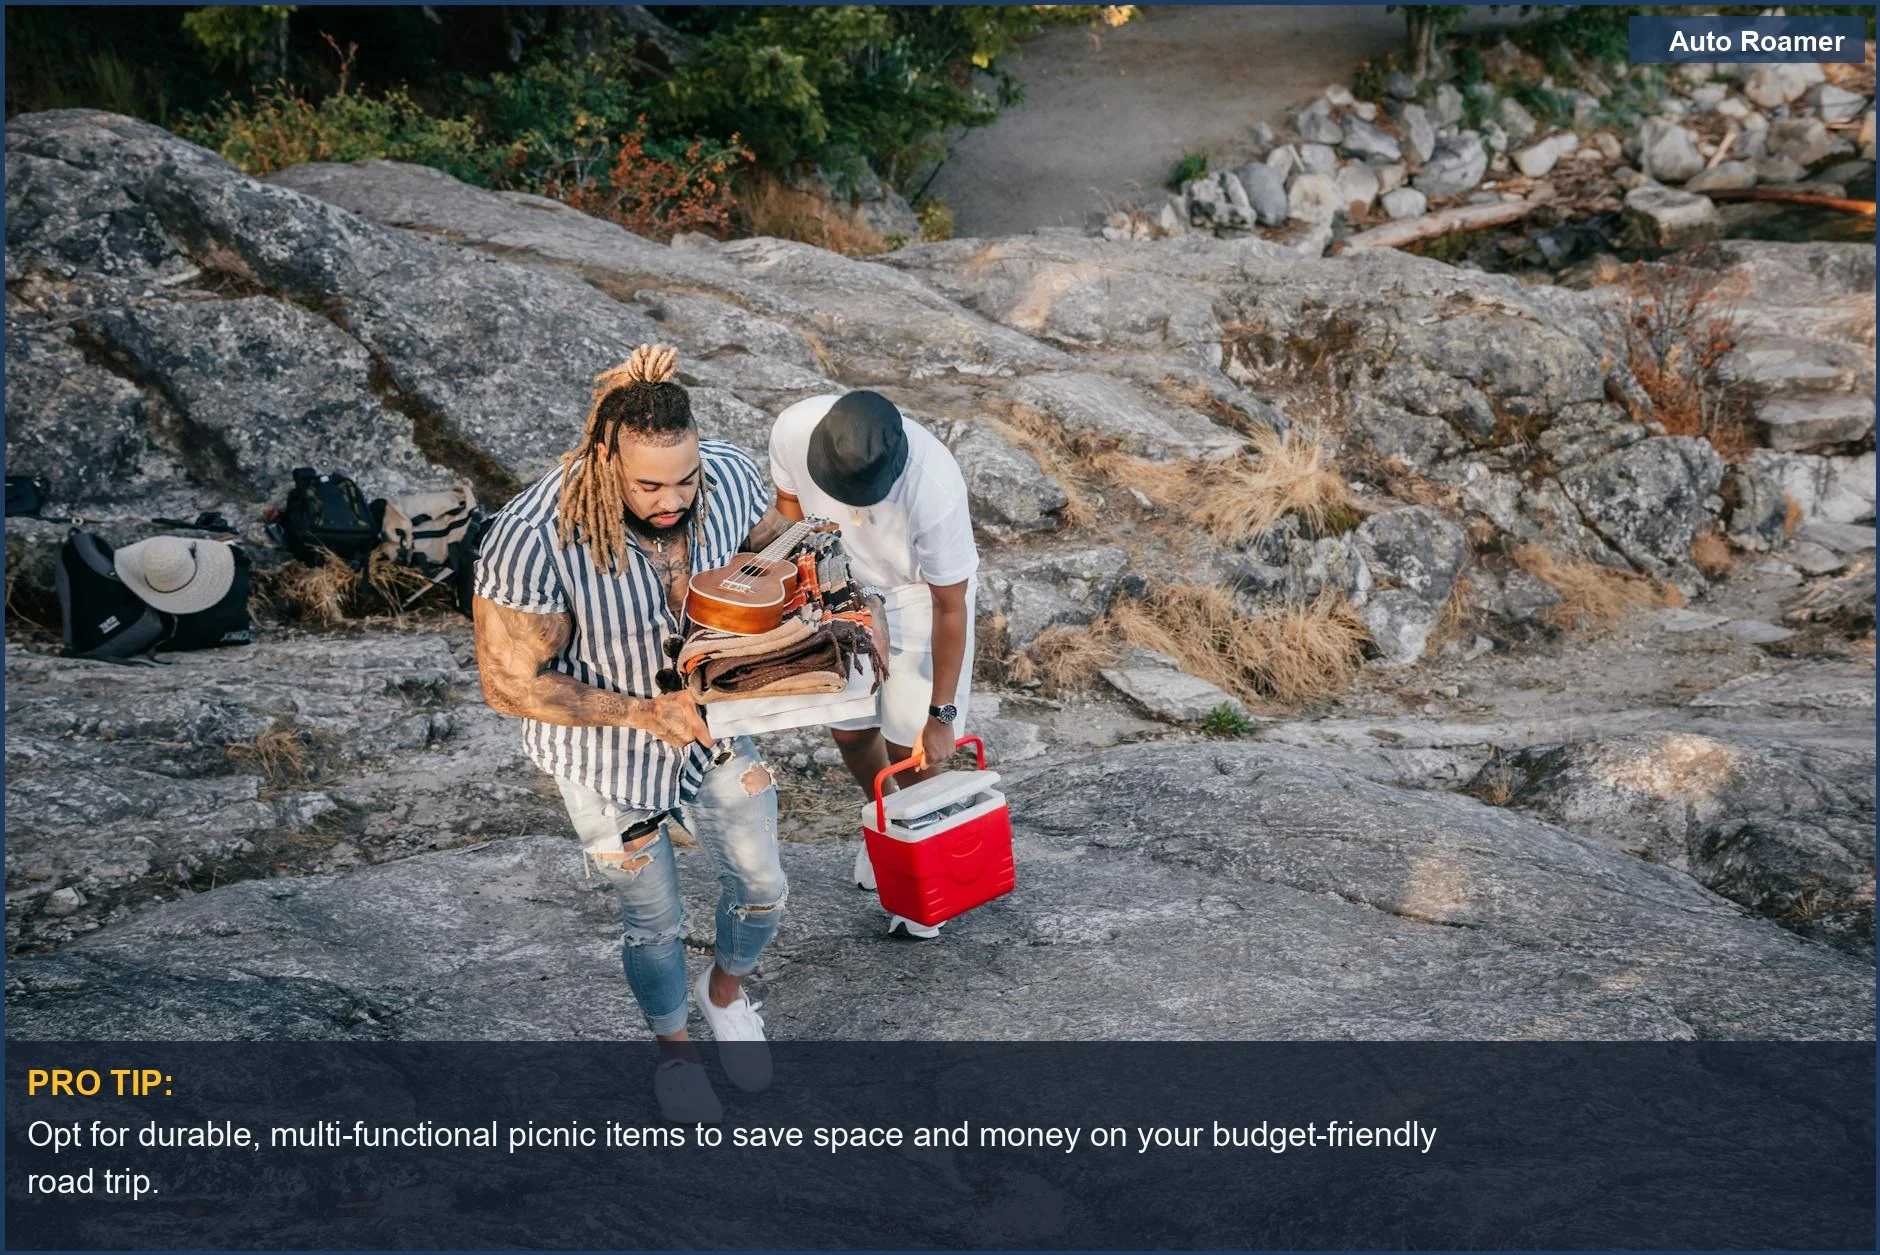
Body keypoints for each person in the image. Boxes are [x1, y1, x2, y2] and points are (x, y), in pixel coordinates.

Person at [473, 344, 795, 1122]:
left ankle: (726, 995)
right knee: (652, 917)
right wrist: (641, 711)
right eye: (649, 484)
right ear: (603, 458)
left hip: (713, 728)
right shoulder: (532, 534)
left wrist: (812, 605)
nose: (673, 498)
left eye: (684, 479)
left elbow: (764, 550)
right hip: (603, 753)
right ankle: (675, 1051)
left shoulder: (723, 475)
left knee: (764, 884)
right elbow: (507, 682)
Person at [768, 390, 979, 939]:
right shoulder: (794, 429)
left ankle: (919, 874)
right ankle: (886, 830)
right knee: (850, 732)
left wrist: (942, 714)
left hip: (916, 598)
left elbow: (950, 606)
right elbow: (790, 517)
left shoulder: (934, 488)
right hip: (840, 586)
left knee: (913, 750)